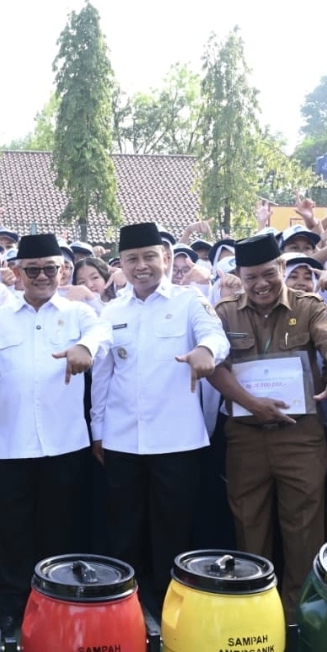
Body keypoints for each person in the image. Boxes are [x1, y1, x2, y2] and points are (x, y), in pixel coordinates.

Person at [208, 234, 327, 615]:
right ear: (238, 276)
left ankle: (297, 617)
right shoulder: (224, 313)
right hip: (246, 437)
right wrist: (252, 404)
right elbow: (216, 369)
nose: (261, 284)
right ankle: (255, 613)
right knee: (248, 525)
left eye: (269, 273)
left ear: (283, 269)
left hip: (299, 437)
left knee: (304, 529)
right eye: (251, 276)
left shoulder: (308, 307)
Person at [0, 233, 111, 635]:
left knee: (61, 528)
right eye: (33, 270)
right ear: (16, 273)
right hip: (11, 442)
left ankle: (59, 602)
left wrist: (84, 344)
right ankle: (12, 604)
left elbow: (104, 334)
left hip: (64, 442)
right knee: (11, 529)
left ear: (62, 270)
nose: (43, 276)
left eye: (51, 268)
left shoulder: (78, 313)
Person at [90, 222, 229, 611]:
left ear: (165, 258)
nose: (142, 266)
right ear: (121, 264)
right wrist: (97, 429)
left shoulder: (189, 301)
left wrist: (205, 351)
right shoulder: (112, 309)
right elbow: (102, 373)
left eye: (150, 256)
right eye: (132, 259)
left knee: (173, 528)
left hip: (176, 440)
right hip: (121, 439)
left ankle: (171, 606)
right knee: (124, 529)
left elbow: (215, 336)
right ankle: (125, 605)